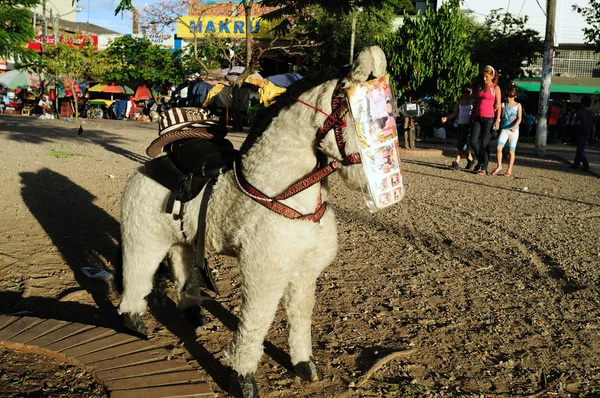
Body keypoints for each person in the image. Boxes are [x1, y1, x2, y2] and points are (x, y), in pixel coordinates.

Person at [470, 65, 502, 175]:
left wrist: (497, 120)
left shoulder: (495, 88)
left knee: (484, 143)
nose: (484, 79)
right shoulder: (480, 87)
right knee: (473, 141)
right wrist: (473, 112)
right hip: (478, 117)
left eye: (486, 77)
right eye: (483, 77)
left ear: (492, 76)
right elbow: (477, 102)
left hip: (489, 119)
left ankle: (485, 166)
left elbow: (498, 105)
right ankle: (481, 159)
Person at [441, 84, 475, 170]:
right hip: (460, 125)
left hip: (468, 125)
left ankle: (456, 162)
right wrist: (447, 118)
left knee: (461, 143)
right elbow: (455, 113)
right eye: (463, 92)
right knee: (463, 143)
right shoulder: (460, 103)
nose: (465, 94)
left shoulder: (472, 103)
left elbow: (474, 114)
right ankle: (470, 159)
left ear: (471, 92)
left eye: (467, 92)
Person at [492, 84, 522, 177]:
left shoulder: (518, 105)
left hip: (514, 131)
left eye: (511, 96)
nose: (509, 97)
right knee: (498, 147)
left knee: (511, 151)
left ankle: (509, 169)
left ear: (515, 96)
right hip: (504, 129)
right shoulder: (503, 105)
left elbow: (519, 118)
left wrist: (514, 126)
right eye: (507, 95)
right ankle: (499, 166)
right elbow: (498, 113)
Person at [570, 95, 594, 172]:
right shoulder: (592, 113)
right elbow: (594, 126)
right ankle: (576, 163)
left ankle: (585, 164)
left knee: (580, 149)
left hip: (580, 131)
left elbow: (577, 123)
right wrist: (592, 135)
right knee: (580, 148)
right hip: (587, 132)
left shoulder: (580, 112)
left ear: (582, 103)